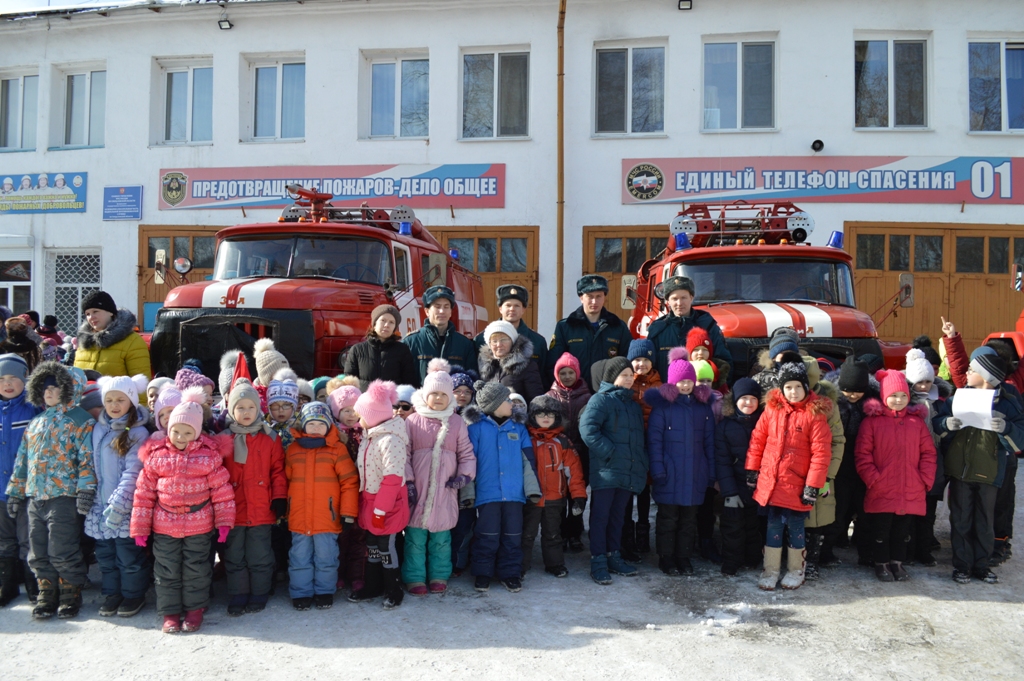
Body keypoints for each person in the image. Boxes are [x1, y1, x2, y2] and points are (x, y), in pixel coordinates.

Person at [130, 389, 235, 633]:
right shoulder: (157, 457)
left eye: (188, 433)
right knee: (166, 569)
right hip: (165, 526)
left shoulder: (208, 458)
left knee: (196, 569)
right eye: (176, 431)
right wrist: (140, 528)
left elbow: (222, 493)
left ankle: (195, 610)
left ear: (197, 433)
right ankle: (170, 612)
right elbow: (144, 495)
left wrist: (224, 522)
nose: (180, 437)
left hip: (199, 525)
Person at [5, 361, 95, 620]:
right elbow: (23, 460)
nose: (48, 392)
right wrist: (16, 491)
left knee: (62, 546)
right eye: (45, 388)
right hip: (36, 495)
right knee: (38, 547)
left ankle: (70, 590)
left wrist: (86, 490)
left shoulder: (80, 421)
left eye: (55, 388)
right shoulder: (37, 422)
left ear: (70, 389)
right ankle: (47, 590)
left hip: (63, 496)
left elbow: (86, 459)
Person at [933, 353, 1024, 584]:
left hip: (990, 473)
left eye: (972, 370)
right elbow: (938, 422)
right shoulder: (958, 398)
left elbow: (1020, 439)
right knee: (960, 519)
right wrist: (946, 424)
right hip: (960, 471)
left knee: (985, 521)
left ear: (987, 377)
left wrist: (1006, 428)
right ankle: (962, 566)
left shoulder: (1008, 402)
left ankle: (982, 565)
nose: (967, 373)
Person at [746, 361, 832, 591]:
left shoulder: (814, 414)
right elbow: (758, 440)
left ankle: (796, 570)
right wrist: (752, 470)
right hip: (772, 483)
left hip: (798, 485)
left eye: (797, 387)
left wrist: (813, 485)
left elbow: (821, 453)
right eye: (788, 387)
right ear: (781, 389)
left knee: (795, 527)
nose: (793, 392)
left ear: (805, 387)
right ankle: (770, 570)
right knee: (773, 526)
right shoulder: (771, 410)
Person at [855, 370, 937, 582]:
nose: (898, 400)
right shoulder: (872, 422)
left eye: (903, 396)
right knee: (881, 529)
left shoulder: (916, 423)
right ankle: (881, 563)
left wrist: (924, 479)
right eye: (893, 396)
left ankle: (897, 563)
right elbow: (863, 454)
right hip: (882, 487)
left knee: (902, 531)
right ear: (884, 396)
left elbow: (928, 453)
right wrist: (873, 478)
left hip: (911, 486)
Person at [403, 368, 475, 596]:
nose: (438, 398)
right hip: (419, 490)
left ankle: (439, 574)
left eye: (444, 394)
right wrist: (408, 482)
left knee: (442, 539)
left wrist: (464, 476)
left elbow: (466, 453)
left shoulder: (456, 422)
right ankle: (414, 577)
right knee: (415, 539)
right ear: (426, 395)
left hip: (445, 490)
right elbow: (403, 454)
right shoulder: (413, 420)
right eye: (434, 393)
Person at [84, 375, 150, 618]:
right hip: (100, 505)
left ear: (131, 401)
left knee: (127, 555)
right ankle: (112, 593)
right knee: (105, 555)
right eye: (109, 400)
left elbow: (133, 471)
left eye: (120, 400)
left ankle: (133, 594)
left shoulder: (138, 433)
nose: (114, 405)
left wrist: (120, 503)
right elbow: (90, 464)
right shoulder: (98, 429)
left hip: (124, 506)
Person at [464, 380, 540, 592]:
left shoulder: (519, 428)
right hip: (487, 493)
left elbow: (527, 461)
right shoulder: (476, 429)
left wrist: (532, 488)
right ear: (494, 404)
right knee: (487, 535)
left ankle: (510, 573)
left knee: (513, 536)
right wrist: (467, 492)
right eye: (507, 400)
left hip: (514, 494)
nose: (511, 403)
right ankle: (483, 573)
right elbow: (469, 462)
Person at [644, 354, 715, 576]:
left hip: (695, 474)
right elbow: (654, 442)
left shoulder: (703, 408)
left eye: (689, 381)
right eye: (681, 381)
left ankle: (684, 557)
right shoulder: (663, 408)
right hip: (669, 474)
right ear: (672, 383)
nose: (685, 385)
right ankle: (666, 558)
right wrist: (658, 469)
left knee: (688, 520)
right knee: (668, 519)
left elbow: (709, 443)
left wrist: (710, 472)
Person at [579, 357, 648, 585]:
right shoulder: (600, 400)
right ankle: (598, 561)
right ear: (612, 377)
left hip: (627, 470)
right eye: (624, 375)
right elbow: (588, 429)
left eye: (630, 375)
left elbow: (638, 439)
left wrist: (639, 462)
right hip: (606, 470)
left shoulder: (633, 405)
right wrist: (609, 452)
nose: (628, 379)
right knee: (601, 517)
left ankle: (613, 555)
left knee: (618, 517)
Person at [221, 378, 287, 616]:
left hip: (261, 508)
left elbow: (278, 470)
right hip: (233, 510)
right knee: (235, 555)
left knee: (260, 555)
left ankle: (259, 592)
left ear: (258, 409)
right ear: (231, 410)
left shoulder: (270, 438)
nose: (246, 412)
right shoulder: (224, 439)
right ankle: (239, 594)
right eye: (240, 407)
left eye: (251, 407)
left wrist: (279, 497)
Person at [285, 401, 358, 610]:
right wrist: (284, 507)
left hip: (327, 516)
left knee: (326, 556)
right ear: (303, 425)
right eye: (311, 423)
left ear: (328, 426)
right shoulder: (293, 449)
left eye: (320, 424)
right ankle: (301, 593)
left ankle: (324, 591)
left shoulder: (337, 449)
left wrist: (347, 513)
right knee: (299, 557)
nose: (316, 428)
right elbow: (286, 480)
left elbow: (349, 482)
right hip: (299, 516)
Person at [353, 381, 411, 609]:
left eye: (361, 415)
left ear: (373, 416)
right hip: (371, 501)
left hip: (388, 505)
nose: (358, 419)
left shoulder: (390, 440)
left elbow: (392, 480)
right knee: (372, 546)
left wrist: (380, 510)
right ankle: (373, 585)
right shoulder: (370, 436)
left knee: (386, 547)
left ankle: (393, 588)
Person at [523, 395, 586, 578]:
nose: (545, 417)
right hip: (531, 498)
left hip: (555, 498)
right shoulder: (526, 439)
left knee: (553, 534)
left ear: (557, 417)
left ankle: (555, 564)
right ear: (532, 416)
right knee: (526, 534)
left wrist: (578, 496)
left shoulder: (563, 441)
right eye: (540, 413)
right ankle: (520, 565)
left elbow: (574, 471)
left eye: (550, 414)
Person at [904, 348, 953, 566]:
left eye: (927, 382)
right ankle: (908, 548)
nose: (923, 386)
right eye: (919, 382)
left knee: (929, 507)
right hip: (910, 459)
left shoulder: (940, 402)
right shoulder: (905, 402)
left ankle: (924, 548)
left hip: (934, 459)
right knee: (910, 508)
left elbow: (944, 429)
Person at [0, 355, 41, 607]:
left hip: (26, 487)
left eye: (13, 378)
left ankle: (33, 582)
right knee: (4, 538)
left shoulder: (32, 407)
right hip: (0, 488)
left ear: (24, 379)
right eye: (1, 378)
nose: (7, 383)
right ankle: (7, 583)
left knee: (28, 538)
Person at [827, 355, 876, 567]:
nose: (853, 395)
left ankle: (866, 553)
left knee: (865, 512)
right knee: (838, 510)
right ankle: (828, 549)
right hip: (839, 464)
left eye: (858, 391)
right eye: (848, 390)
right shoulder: (832, 402)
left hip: (864, 462)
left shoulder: (872, 403)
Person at [801, 356, 846, 581]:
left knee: (816, 518)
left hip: (820, 469)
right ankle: (792, 558)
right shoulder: (787, 398)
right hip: (792, 469)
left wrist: (828, 475)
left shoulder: (828, 404)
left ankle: (812, 560)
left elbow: (837, 440)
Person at [548, 275, 632, 392]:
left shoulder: (618, 326)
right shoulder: (566, 326)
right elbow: (554, 363)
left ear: (604, 297)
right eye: (590, 296)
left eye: (599, 296)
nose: (594, 301)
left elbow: (627, 362)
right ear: (581, 297)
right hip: (574, 394)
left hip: (607, 394)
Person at [716, 378, 764, 576]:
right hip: (734, 484)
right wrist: (729, 492)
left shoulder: (764, 423)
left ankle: (752, 559)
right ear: (735, 400)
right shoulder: (725, 426)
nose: (748, 403)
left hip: (758, 486)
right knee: (732, 527)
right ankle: (731, 562)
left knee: (753, 526)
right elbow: (722, 461)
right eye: (744, 398)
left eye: (753, 399)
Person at [546, 352, 592, 553]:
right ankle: (561, 533)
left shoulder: (588, 397)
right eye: (562, 373)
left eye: (570, 372)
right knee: (559, 496)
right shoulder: (550, 396)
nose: (567, 376)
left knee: (577, 495)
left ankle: (575, 532)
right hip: (558, 454)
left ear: (577, 373)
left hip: (581, 454)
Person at [645, 276, 732, 384]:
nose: (679, 303)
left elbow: (724, 364)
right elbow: (648, 368)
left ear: (691, 297)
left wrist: (713, 388)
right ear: (667, 301)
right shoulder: (657, 330)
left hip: (700, 392)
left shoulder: (708, 326)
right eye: (675, 299)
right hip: (666, 391)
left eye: (684, 297)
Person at [623, 339, 660, 560]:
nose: (641, 364)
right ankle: (628, 533)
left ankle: (643, 531)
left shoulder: (660, 385)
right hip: (630, 445)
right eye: (637, 360)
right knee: (629, 489)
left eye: (646, 359)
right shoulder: (627, 382)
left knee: (645, 491)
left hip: (650, 444)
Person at [74, 291, 152, 387]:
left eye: (95, 311)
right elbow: (75, 381)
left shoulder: (132, 341)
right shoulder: (84, 343)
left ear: (110, 312)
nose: (91, 317)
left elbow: (141, 385)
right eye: (87, 314)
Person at [404, 285, 478, 384]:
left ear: (450, 312)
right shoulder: (411, 342)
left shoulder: (464, 344)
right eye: (437, 307)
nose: (442, 311)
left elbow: (472, 380)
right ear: (427, 311)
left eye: (446, 307)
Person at [475, 285, 549, 384]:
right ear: (500, 309)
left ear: (523, 309)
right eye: (508, 305)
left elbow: (544, 377)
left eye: (517, 306)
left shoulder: (537, 341)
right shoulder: (481, 340)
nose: (512, 309)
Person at [343, 304, 418, 390]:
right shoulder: (357, 350)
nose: (387, 325)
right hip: (364, 398)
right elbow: (349, 383)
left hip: (393, 398)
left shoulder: (402, 350)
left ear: (394, 328)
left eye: (391, 322)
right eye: (383, 320)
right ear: (374, 324)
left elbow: (409, 383)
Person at [477, 320, 545, 404]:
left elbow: (536, 400)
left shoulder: (527, 365)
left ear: (512, 341)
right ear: (489, 344)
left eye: (503, 340)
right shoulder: (485, 365)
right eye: (494, 341)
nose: (499, 344)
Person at [752, 328, 802, 393]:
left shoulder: (806, 373)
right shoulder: (760, 378)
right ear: (774, 357)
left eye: (791, 353)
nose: (787, 356)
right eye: (783, 353)